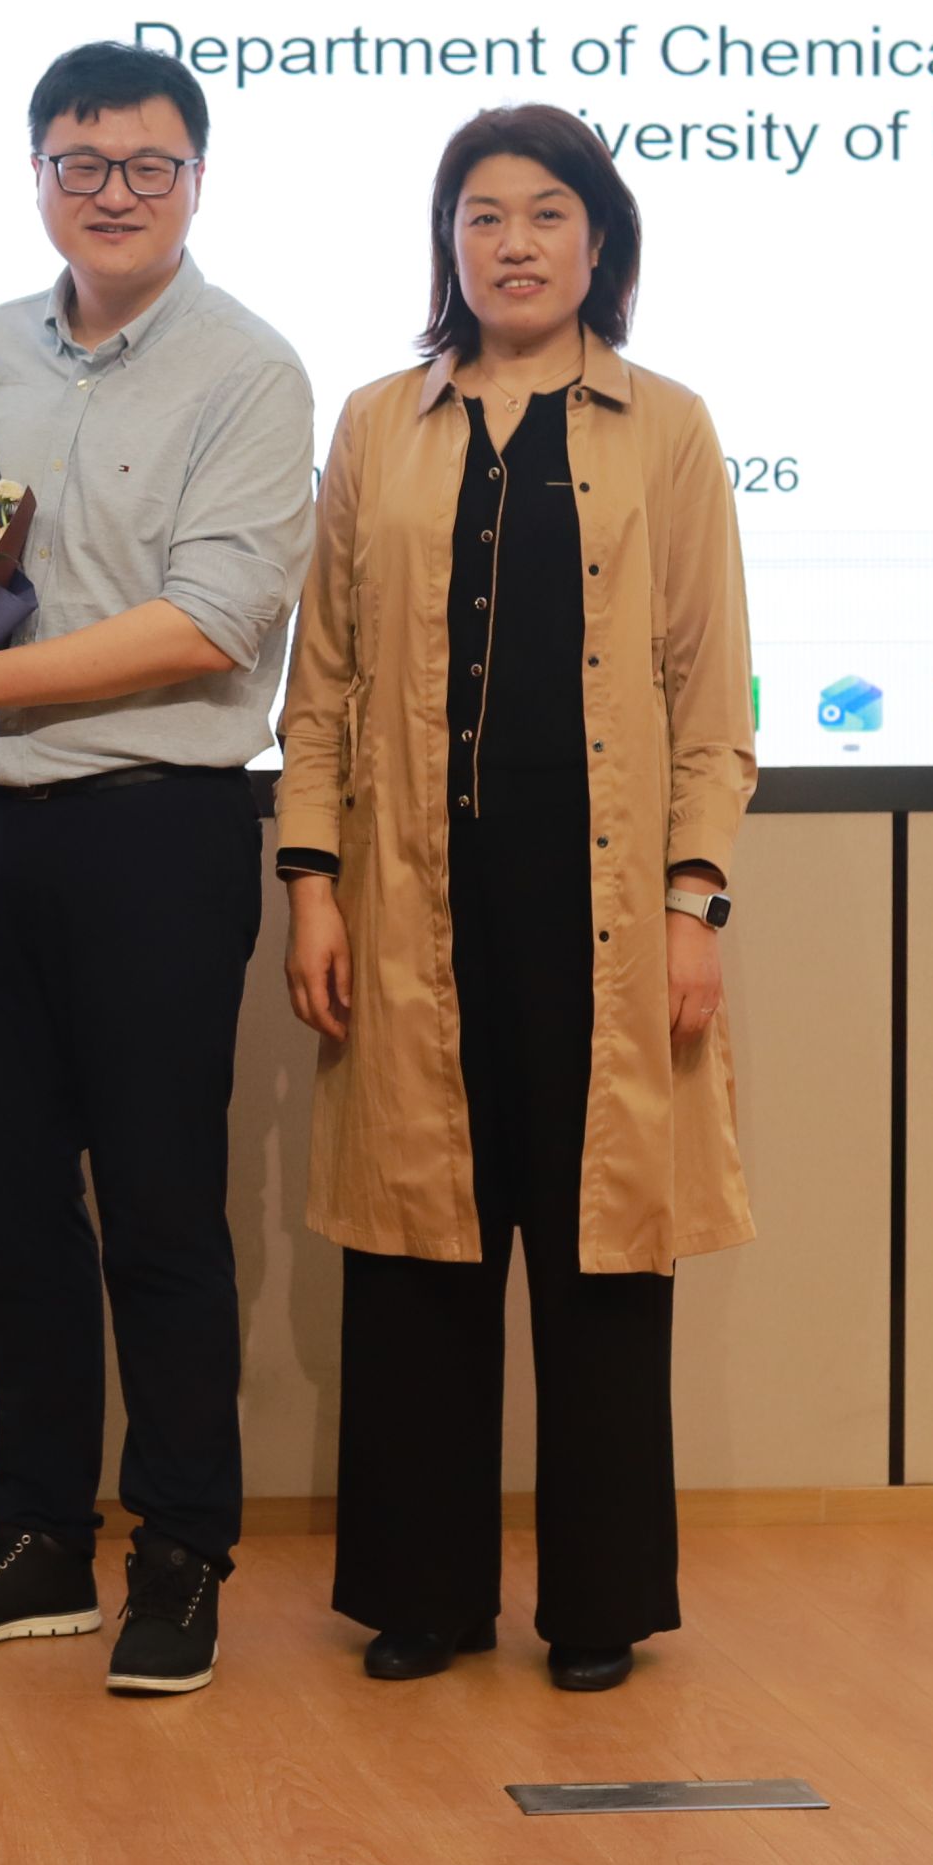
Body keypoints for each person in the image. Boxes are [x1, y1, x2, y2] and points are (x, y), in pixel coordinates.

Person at [0, 41, 315, 1699]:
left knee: (162, 1208)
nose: (114, 192)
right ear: (36, 171)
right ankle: (39, 1534)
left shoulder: (251, 370)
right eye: (81, 163)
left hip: (155, 829)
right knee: (8, 1200)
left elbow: (211, 620)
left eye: (148, 165)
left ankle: (182, 1553)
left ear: (197, 180)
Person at [273, 104, 755, 1694]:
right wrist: (313, 880)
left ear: (598, 242)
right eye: (482, 215)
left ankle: (599, 1601)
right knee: (422, 1244)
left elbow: (712, 700)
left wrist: (695, 899)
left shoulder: (666, 427)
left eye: (547, 212)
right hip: (416, 905)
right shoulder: (378, 422)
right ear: (449, 243)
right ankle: (424, 1591)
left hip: (603, 912)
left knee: (605, 1254)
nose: (514, 242)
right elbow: (323, 684)